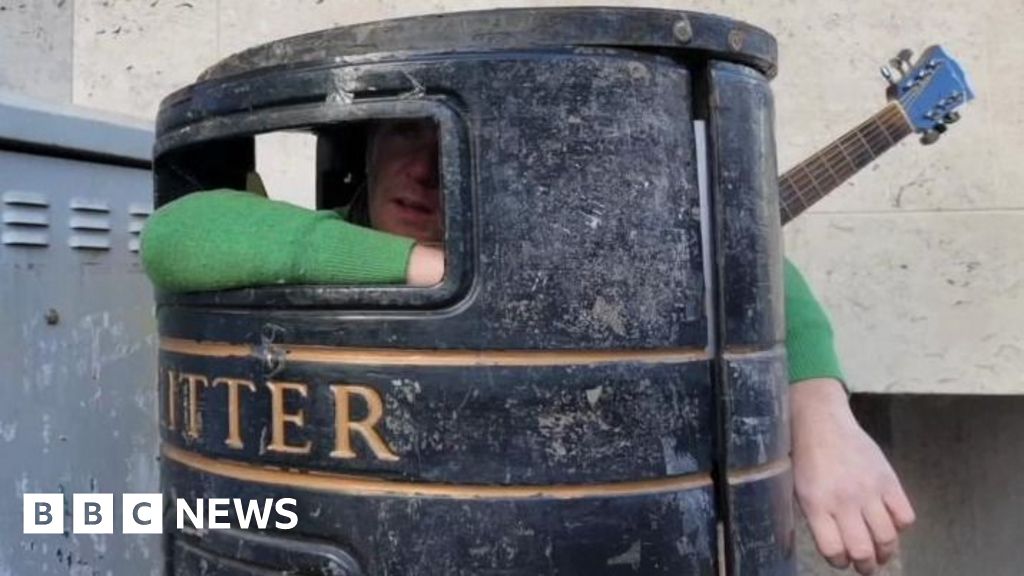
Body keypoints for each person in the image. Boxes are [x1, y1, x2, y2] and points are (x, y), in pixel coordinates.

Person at [141, 118, 915, 575]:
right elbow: (179, 233)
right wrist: (444, 273)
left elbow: (739, 250)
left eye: (459, 144)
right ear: (367, 148)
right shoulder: (325, 234)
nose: (426, 169)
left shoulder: (559, 246)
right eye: (406, 131)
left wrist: (819, 410)